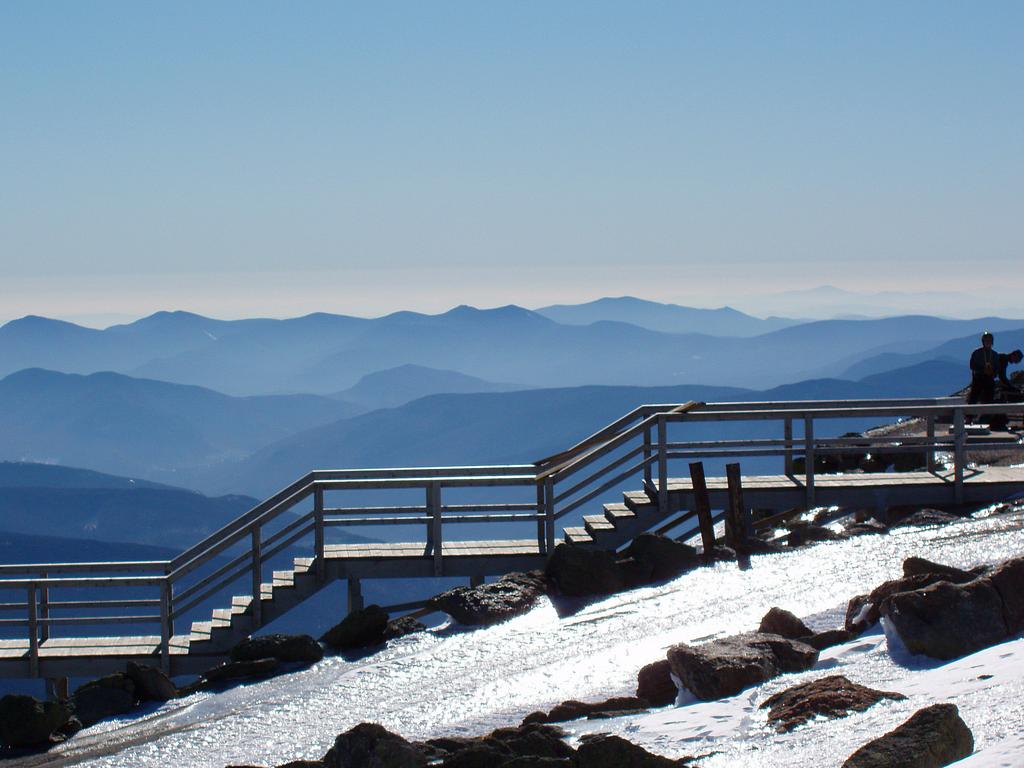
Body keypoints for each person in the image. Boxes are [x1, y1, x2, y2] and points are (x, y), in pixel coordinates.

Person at [968, 332, 999, 407]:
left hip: (989, 380)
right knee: (973, 399)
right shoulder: (976, 353)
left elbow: (997, 368)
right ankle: (969, 417)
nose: (988, 342)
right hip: (978, 380)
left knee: (989, 400)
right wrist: (983, 370)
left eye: (989, 341)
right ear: (983, 342)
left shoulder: (995, 355)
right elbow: (972, 366)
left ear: (992, 342)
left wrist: (993, 372)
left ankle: (987, 416)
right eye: (986, 341)